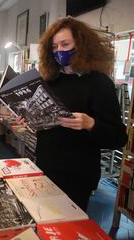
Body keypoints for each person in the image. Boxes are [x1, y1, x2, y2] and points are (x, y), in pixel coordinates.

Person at [35, 17, 127, 211]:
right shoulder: (49, 80)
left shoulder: (99, 83)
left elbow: (118, 138)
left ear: (81, 45)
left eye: (65, 44)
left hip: (77, 173)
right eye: (54, 47)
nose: (59, 50)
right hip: (45, 165)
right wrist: (29, 116)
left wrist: (90, 124)